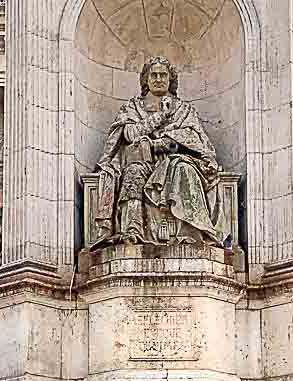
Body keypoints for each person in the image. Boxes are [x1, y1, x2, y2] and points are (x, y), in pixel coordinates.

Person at [94, 56, 221, 247]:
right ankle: (132, 230)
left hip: (177, 159)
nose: (159, 78)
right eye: (154, 74)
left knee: (184, 168)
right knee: (133, 173)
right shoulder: (132, 107)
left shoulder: (183, 109)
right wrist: (161, 116)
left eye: (163, 75)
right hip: (142, 161)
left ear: (171, 80)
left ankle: (190, 231)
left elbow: (195, 138)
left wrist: (163, 142)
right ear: (146, 79)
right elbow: (129, 134)